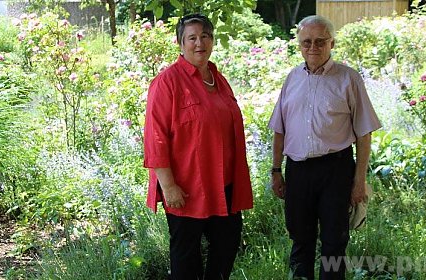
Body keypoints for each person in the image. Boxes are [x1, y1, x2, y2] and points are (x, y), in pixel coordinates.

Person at [268, 15, 381, 280]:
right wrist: (276, 170)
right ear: (299, 45)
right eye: (307, 42)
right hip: (298, 171)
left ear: (332, 43)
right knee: (300, 239)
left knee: (334, 242)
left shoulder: (349, 79)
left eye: (320, 41)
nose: (313, 47)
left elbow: (364, 135)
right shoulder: (292, 79)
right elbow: (279, 129)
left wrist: (359, 181)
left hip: (336, 170)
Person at [143, 13, 254, 280]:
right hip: (187, 190)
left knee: (226, 247)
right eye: (191, 37)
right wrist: (168, 186)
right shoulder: (167, 82)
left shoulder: (218, 79)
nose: (199, 43)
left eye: (204, 36)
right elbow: (155, 139)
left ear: (212, 40)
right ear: (180, 43)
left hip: (224, 186)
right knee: (186, 259)